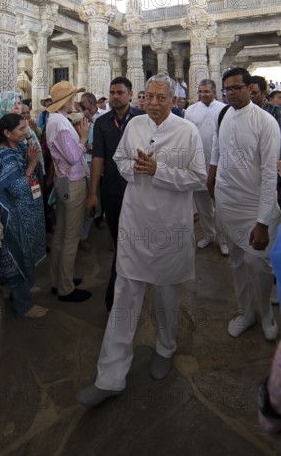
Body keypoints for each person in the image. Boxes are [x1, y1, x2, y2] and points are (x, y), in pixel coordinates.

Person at [76, 74, 206, 407]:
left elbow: (198, 177)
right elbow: (119, 161)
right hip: (136, 224)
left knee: (165, 296)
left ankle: (165, 347)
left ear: (173, 101)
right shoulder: (135, 126)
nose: (153, 103)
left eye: (161, 97)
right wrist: (137, 168)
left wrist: (158, 170)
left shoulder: (187, 131)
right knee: (124, 298)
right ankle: (110, 377)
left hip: (169, 227)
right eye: (148, 96)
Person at [207, 67, 281, 341]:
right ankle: (246, 311)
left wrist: (262, 221)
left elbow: (269, 175)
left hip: (255, 207)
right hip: (227, 202)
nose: (230, 93)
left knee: (259, 265)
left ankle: (265, 314)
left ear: (250, 89)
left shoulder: (265, 123)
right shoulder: (224, 114)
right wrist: (211, 174)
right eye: (227, 89)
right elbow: (217, 144)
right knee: (237, 262)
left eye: (236, 88)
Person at [85, 77, 145, 311]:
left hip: (139, 187)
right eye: (112, 92)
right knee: (120, 238)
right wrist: (93, 192)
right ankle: (122, 288)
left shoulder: (141, 119)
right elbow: (98, 157)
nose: (115, 96)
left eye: (120, 92)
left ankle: (121, 291)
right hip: (112, 189)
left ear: (130, 94)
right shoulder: (102, 123)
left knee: (135, 239)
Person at [0, 114, 47, 318]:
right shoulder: (3, 155)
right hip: (16, 217)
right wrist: (31, 165)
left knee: (28, 254)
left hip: (29, 212)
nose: (26, 133)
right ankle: (23, 305)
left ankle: (24, 287)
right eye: (21, 129)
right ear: (7, 133)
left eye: (26, 128)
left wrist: (33, 160)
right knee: (19, 257)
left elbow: (36, 166)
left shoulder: (19, 147)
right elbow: (17, 188)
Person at [46, 81, 92, 302]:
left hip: (63, 181)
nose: (75, 102)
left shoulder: (56, 121)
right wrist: (83, 138)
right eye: (73, 98)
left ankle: (59, 281)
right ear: (64, 101)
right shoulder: (61, 125)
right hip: (72, 183)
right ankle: (65, 288)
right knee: (70, 237)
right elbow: (73, 156)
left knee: (61, 234)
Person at [185, 79, 228, 255]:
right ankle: (209, 236)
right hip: (198, 165)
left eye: (206, 91)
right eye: (200, 91)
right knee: (203, 207)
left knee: (221, 206)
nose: (202, 95)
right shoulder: (190, 111)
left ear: (215, 92)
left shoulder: (225, 109)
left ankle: (224, 240)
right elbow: (187, 137)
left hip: (220, 167)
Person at [0, 90, 21, 157]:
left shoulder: (20, 122)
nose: (17, 107)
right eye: (13, 103)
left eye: (19, 103)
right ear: (4, 104)